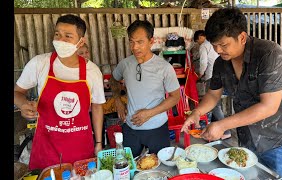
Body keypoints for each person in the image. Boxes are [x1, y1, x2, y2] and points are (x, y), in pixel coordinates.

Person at [181, 7, 282, 180]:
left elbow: (268, 106)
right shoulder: (221, 64)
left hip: (280, 140)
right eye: (215, 45)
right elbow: (213, 94)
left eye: (223, 45)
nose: (218, 50)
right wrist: (197, 113)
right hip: (248, 140)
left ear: (242, 37)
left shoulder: (269, 54)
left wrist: (222, 125)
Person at [14, 14, 106, 170]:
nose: (60, 40)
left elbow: (97, 107)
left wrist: (98, 143)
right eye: (57, 34)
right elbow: (17, 92)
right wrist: (23, 105)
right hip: (47, 146)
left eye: (68, 36)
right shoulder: (39, 63)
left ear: (80, 41)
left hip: (80, 146)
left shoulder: (92, 71)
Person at [109, 20, 180, 157]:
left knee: (160, 169)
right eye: (131, 42)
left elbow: (175, 97)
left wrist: (149, 113)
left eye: (140, 42)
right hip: (131, 128)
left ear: (151, 41)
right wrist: (117, 101)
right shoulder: (125, 64)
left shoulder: (164, 67)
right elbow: (113, 79)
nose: (135, 47)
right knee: (130, 167)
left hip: (157, 129)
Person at [193, 30, 231, 140]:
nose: (198, 43)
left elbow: (203, 62)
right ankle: (217, 128)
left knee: (215, 105)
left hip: (211, 76)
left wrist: (200, 74)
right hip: (220, 76)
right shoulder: (216, 48)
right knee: (215, 104)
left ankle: (226, 131)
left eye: (197, 40)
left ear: (201, 37)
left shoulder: (204, 46)